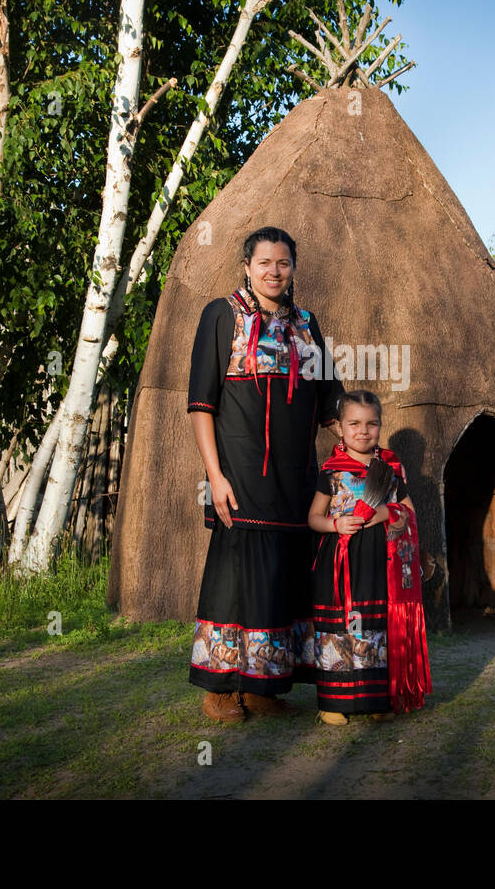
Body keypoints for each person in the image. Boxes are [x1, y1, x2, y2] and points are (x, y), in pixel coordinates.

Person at [187, 226, 344, 723]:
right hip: (241, 473)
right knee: (236, 576)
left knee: (281, 578)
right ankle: (220, 688)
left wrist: (358, 448)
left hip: (295, 478)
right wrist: (215, 475)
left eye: (283, 263)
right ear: (246, 266)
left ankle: (261, 685)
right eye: (264, 263)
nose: (274, 271)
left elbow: (327, 399)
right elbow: (201, 404)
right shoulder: (222, 315)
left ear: (293, 267)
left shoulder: (307, 324)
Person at [298, 389, 432, 724]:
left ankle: (375, 700)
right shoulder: (332, 471)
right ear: (340, 429)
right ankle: (335, 702)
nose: (363, 430)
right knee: (339, 626)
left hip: (379, 563)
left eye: (372, 424)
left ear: (380, 426)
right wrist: (336, 523)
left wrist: (390, 514)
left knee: (375, 626)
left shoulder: (389, 469)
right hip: (339, 562)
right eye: (354, 423)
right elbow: (313, 518)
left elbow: (409, 514)